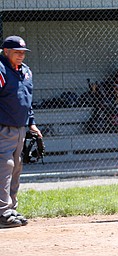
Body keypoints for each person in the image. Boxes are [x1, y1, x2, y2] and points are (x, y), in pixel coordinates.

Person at [0, 35, 42, 228]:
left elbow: (27, 99)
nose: (21, 56)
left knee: (16, 166)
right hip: (3, 127)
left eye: (23, 53)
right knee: (4, 167)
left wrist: (31, 123)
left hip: (20, 127)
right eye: (17, 52)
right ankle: (2, 212)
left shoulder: (25, 71)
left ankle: (11, 208)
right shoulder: (1, 69)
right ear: (6, 51)